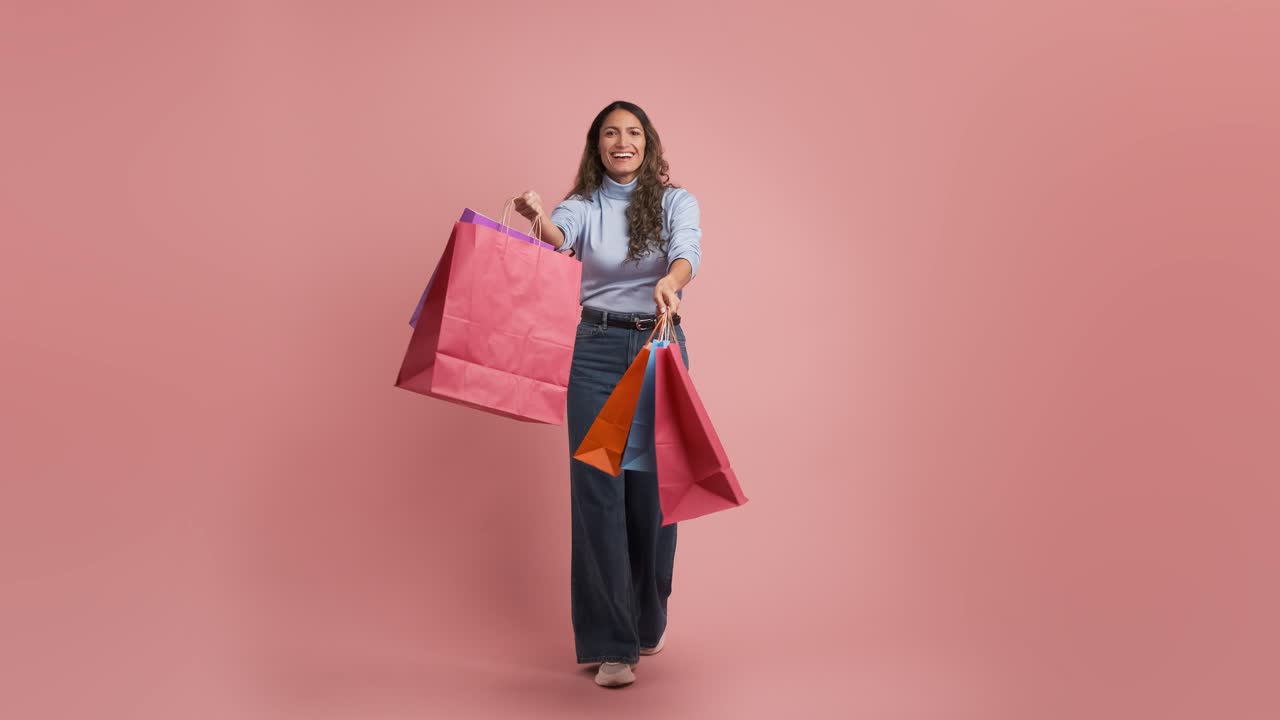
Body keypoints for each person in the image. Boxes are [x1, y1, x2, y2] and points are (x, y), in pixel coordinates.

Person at [514, 100, 701, 688]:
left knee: (653, 494)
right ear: (597, 146)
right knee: (597, 492)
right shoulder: (585, 205)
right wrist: (538, 216)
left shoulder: (675, 201)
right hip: (593, 351)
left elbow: (686, 252)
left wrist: (669, 285)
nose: (622, 141)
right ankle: (612, 644)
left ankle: (648, 617)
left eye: (633, 133)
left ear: (649, 144)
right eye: (610, 134)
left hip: (658, 349)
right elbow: (557, 237)